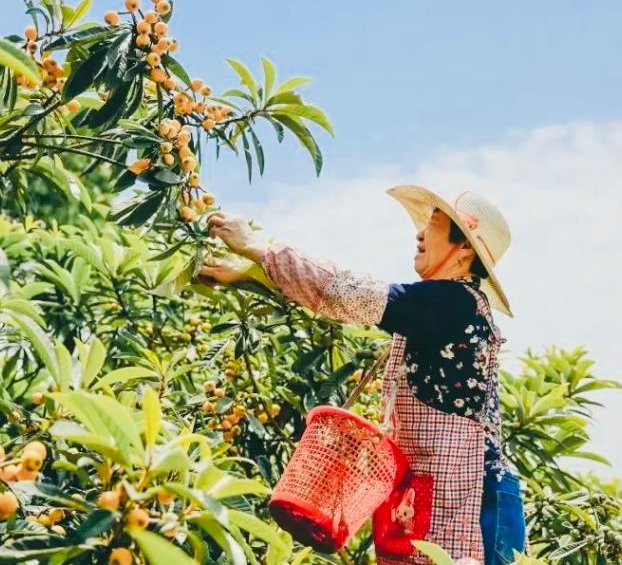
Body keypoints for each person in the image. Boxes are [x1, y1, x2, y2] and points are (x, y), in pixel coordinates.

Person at [197, 186, 526, 565]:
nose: (420, 234)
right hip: (446, 495)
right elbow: (336, 299)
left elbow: (346, 292)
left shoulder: (454, 303)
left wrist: (257, 246)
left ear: (464, 248)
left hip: (477, 501)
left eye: (433, 224)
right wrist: (248, 277)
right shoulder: (441, 307)